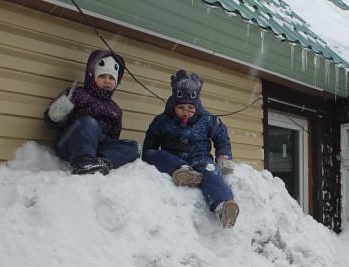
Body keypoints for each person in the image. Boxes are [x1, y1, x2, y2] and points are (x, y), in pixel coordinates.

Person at [142, 69, 239, 229]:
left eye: (190, 108)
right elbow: (151, 138)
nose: (185, 111)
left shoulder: (207, 120)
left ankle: (223, 205)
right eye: (181, 107)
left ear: (196, 105)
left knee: (211, 175)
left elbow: (221, 135)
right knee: (153, 155)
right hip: (172, 158)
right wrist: (149, 156)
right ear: (173, 105)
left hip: (200, 158)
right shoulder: (163, 121)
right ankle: (183, 171)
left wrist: (223, 156)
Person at [44, 49, 139, 175]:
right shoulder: (77, 94)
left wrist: (111, 148)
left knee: (133, 146)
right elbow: (53, 123)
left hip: (97, 147)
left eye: (111, 78)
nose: (107, 81)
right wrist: (55, 116)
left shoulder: (115, 109)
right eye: (102, 76)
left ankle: (102, 161)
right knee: (88, 122)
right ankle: (84, 162)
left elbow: (114, 136)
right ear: (92, 76)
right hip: (70, 144)